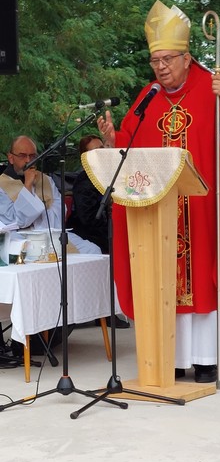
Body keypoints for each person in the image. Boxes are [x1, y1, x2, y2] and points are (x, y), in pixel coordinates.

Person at [97, 0, 220, 382]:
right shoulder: (148, 96)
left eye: (168, 59)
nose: (161, 68)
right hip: (160, 213)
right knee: (162, 277)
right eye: (156, 61)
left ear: (187, 58)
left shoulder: (213, 87)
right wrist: (110, 139)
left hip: (201, 210)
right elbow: (130, 145)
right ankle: (170, 356)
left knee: (202, 277)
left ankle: (205, 359)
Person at [67, 134, 130, 329]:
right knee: (108, 253)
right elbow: (89, 219)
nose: (101, 153)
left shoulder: (112, 173)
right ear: (85, 157)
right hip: (88, 233)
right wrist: (115, 232)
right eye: (95, 151)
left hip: (109, 229)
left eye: (102, 148)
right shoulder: (84, 182)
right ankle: (106, 311)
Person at [0, 135, 101, 255]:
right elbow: (12, 221)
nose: (28, 160)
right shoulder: (2, 184)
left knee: (92, 250)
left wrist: (39, 220)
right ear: (11, 158)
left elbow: (60, 209)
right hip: (21, 238)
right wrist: (28, 185)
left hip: (52, 234)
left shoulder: (46, 180)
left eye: (32, 156)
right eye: (22, 155)